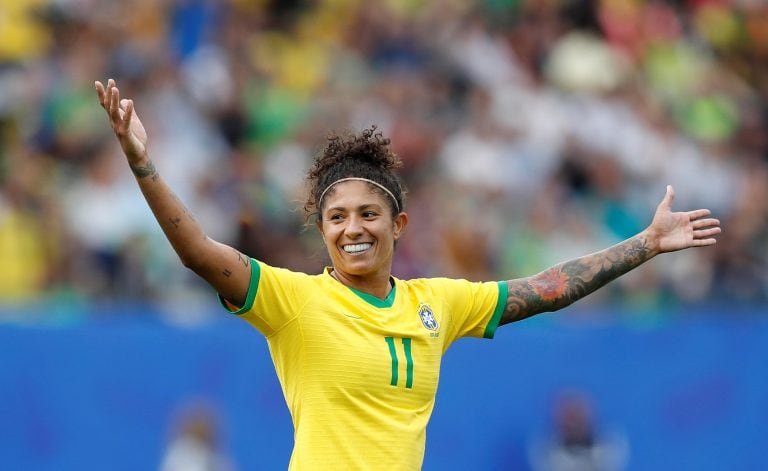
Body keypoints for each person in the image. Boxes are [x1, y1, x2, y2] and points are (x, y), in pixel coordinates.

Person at [95, 78, 721, 470]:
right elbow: (199, 253)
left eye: (369, 213)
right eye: (336, 217)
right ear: (322, 230)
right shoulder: (291, 300)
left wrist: (645, 244)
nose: (353, 228)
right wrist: (143, 164)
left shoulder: (438, 303)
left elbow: (546, 290)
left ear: (398, 225)